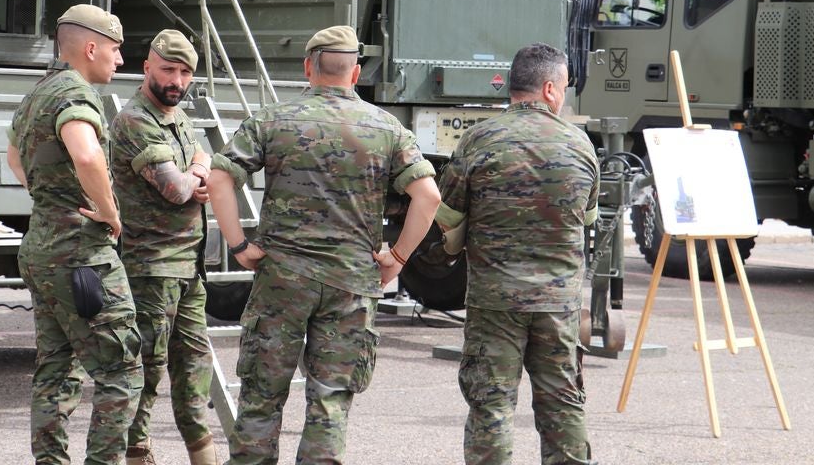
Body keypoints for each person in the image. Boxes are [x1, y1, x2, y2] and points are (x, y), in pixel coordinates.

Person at [207, 24, 442, 465]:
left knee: (261, 395)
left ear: (307, 69)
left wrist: (240, 245)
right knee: (330, 402)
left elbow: (220, 178)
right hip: (351, 283)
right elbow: (428, 196)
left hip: (282, 280)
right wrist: (397, 258)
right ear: (356, 74)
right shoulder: (387, 128)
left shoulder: (272, 121)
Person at [435, 42, 599, 465]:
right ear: (548, 89)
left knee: (491, 405)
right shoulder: (580, 145)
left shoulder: (477, 140)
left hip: (495, 300)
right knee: (562, 403)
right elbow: (589, 217)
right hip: (558, 303)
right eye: (563, 86)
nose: (563, 95)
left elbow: (448, 215)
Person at [6, 4, 143, 465]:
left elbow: (13, 158)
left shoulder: (37, 94)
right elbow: (86, 156)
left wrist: (50, 196)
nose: (119, 60)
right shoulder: (75, 96)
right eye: (115, 49)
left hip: (41, 246)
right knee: (122, 371)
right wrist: (108, 211)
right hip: (81, 253)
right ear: (90, 47)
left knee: (55, 368)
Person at [110, 29, 218, 465]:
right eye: (168, 69)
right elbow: (175, 190)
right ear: (147, 68)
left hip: (188, 269)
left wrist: (197, 169)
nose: (176, 80)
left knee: (195, 372)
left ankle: (204, 456)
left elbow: (206, 159)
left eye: (185, 72)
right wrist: (196, 176)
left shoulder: (180, 117)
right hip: (151, 270)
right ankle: (137, 455)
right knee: (146, 372)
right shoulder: (136, 119)